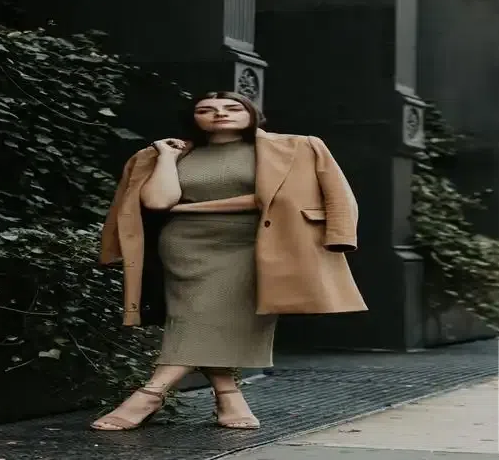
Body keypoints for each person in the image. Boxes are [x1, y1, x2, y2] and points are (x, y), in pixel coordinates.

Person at [92, 91, 366, 431]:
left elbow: (299, 197)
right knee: (195, 316)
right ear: (193, 118)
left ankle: (158, 393)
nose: (220, 113)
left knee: (208, 317)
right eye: (206, 110)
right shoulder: (171, 154)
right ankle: (215, 395)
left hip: (260, 246)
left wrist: (338, 237)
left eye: (232, 108)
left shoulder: (298, 146)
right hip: (186, 247)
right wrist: (166, 156)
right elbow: (160, 202)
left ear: (251, 113)